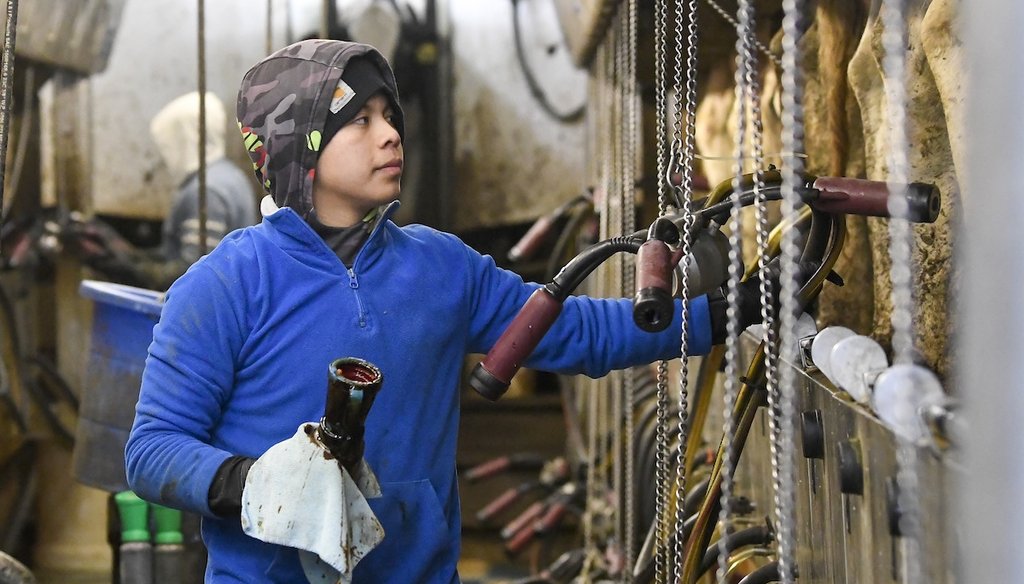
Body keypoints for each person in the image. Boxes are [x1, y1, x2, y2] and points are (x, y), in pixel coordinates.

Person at [124, 40, 765, 583]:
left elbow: (577, 332)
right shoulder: (223, 287)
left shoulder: (441, 268)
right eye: (360, 120)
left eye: (389, 114)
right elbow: (152, 451)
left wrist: (725, 313)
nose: (391, 133)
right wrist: (254, 483)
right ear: (301, 146)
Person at [61, 91, 257, 290]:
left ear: (186, 139)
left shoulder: (205, 191)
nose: (164, 158)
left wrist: (123, 267)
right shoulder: (231, 176)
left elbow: (194, 275)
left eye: (167, 146)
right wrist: (123, 251)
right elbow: (176, 256)